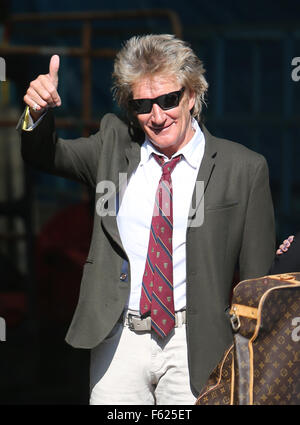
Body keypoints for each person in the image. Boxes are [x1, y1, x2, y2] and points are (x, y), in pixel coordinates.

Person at [18, 34, 275, 405]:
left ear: (191, 95)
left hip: (197, 344)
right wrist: (37, 113)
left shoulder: (244, 168)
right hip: (118, 342)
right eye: (143, 104)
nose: (157, 116)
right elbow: (46, 155)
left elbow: (257, 287)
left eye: (168, 100)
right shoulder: (112, 145)